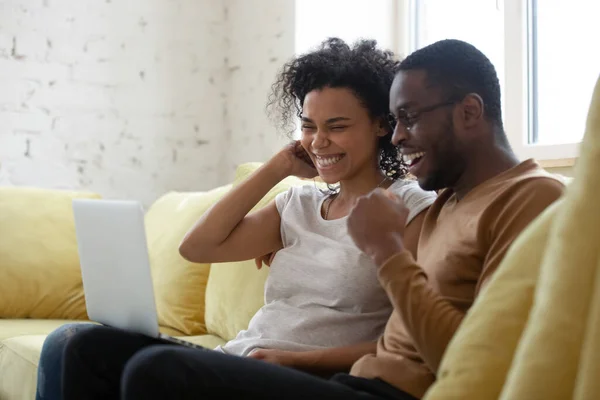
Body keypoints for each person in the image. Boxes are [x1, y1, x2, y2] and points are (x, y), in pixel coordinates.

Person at [80, 39, 565, 400]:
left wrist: (385, 249)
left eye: (408, 119)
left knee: (159, 371)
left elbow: (476, 359)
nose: (398, 138)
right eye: (395, 120)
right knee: (85, 347)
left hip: (387, 393)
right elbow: (201, 246)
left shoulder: (529, 198)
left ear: (470, 112)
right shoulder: (448, 201)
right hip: (353, 380)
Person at [36, 38, 437, 400]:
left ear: (382, 125)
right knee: (73, 343)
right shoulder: (298, 205)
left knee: (152, 368)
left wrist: (297, 360)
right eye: (308, 127)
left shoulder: (408, 209)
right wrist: (278, 167)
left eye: (337, 127)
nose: (318, 142)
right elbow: (197, 247)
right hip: (239, 359)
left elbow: (409, 343)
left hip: (307, 378)